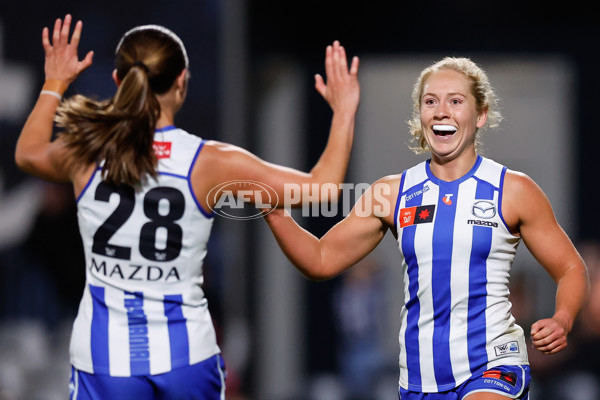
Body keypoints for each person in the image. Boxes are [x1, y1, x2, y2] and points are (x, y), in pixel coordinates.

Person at [14, 14, 359, 399]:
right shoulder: (210, 161)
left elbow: (28, 153)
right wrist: (343, 113)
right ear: (181, 82)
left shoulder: (86, 150)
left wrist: (55, 82)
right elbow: (323, 189)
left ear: (118, 82)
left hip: (103, 359)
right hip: (186, 358)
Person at [263, 57, 589, 399]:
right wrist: (274, 210)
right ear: (420, 115)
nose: (441, 111)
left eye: (456, 101)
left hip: (493, 366)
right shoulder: (392, 193)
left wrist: (563, 318)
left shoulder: (513, 190)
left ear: (480, 115)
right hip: (420, 381)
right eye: (430, 101)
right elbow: (320, 259)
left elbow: (570, 267)